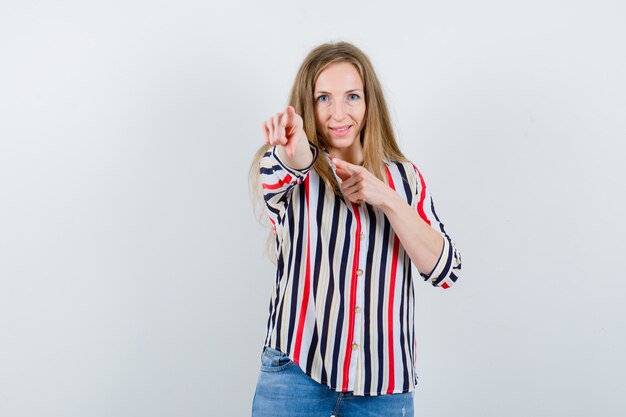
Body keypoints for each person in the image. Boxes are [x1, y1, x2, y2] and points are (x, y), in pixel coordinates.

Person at [249, 41, 462, 417]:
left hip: (383, 386)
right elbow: (285, 164)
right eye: (323, 99)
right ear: (307, 106)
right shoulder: (289, 170)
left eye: (351, 96)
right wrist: (292, 148)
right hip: (296, 371)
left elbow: (446, 270)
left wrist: (389, 199)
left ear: (368, 102)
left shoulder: (405, 179)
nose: (338, 113)